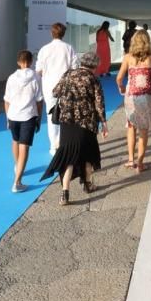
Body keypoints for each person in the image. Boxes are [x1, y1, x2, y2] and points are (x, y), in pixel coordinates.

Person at [41, 51, 108, 206]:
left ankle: (65, 193)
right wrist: (104, 122)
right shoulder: (93, 79)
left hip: (67, 121)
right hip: (87, 122)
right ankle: (88, 184)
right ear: (94, 65)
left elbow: (55, 91)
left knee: (69, 156)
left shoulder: (68, 74)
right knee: (88, 154)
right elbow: (99, 103)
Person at [116, 30, 151, 172]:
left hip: (131, 96)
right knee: (143, 130)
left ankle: (131, 159)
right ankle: (140, 163)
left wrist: (121, 87)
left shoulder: (128, 57)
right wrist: (150, 82)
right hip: (146, 97)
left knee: (131, 126)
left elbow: (118, 78)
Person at [4, 50, 43, 193]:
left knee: (15, 141)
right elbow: (39, 100)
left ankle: (17, 166)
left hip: (13, 115)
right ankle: (17, 182)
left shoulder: (11, 78)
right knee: (24, 147)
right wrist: (39, 118)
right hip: (28, 115)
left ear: (18, 62)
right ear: (31, 62)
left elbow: (6, 100)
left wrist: (7, 117)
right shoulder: (36, 77)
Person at [36, 23, 77, 155]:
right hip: (66, 86)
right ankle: (64, 142)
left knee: (51, 115)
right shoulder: (69, 48)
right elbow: (75, 67)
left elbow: (39, 70)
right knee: (66, 114)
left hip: (49, 86)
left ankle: (54, 146)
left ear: (51, 33)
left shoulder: (44, 49)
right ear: (63, 34)